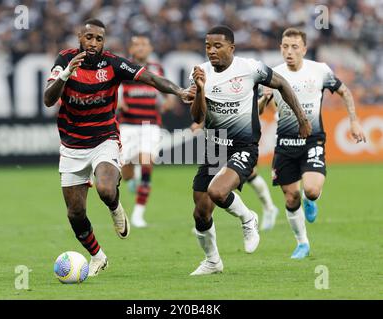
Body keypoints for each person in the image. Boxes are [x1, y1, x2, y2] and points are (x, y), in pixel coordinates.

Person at [43, 19, 192, 277]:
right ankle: (98, 256)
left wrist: (179, 91)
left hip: (104, 139)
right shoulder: (64, 59)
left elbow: (151, 79)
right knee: (75, 213)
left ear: (104, 42)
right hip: (71, 146)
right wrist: (66, 74)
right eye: (88, 37)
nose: (93, 43)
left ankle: (115, 208)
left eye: (98, 39)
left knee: (105, 188)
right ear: (80, 37)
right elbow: (48, 99)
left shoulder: (113, 63)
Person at [189, 25, 311, 275]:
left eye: (217, 46)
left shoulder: (250, 68)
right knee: (200, 213)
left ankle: (248, 218)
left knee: (218, 192)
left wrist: (301, 118)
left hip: (243, 146)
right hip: (214, 147)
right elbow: (198, 116)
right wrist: (200, 89)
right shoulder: (201, 73)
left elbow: (283, 84)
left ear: (231, 48)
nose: (211, 50)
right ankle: (213, 261)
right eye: (208, 46)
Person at [258, 27, 366, 259]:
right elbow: (257, 112)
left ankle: (310, 200)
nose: (289, 51)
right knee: (290, 197)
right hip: (284, 145)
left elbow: (345, 92)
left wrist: (354, 122)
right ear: (280, 48)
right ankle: (302, 243)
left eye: (294, 47)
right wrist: (264, 98)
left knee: (312, 190)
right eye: (285, 47)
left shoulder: (319, 70)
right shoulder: (272, 75)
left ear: (304, 49)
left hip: (312, 141)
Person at [117, 35, 176, 228]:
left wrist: (169, 102)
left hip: (150, 125)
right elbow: (113, 90)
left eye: (144, 44)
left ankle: (138, 214)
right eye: (137, 45)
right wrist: (118, 101)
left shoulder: (157, 69)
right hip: (128, 125)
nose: (141, 48)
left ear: (150, 48)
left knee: (146, 163)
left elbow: (167, 94)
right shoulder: (123, 67)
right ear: (131, 49)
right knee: (125, 168)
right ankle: (132, 181)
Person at [190, 121, 279, 231]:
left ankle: (269, 208)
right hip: (220, 139)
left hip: (239, 137)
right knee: (215, 181)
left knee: (244, 175)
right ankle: (205, 217)